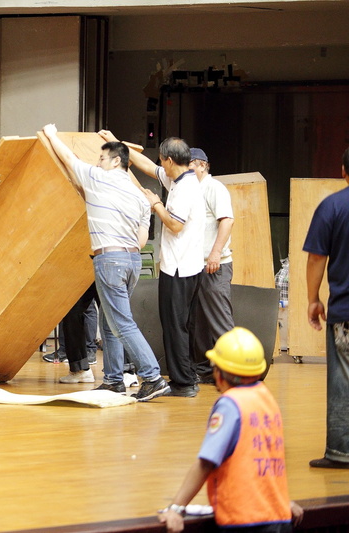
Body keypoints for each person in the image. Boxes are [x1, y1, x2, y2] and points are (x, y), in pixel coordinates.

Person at [42, 124, 169, 401]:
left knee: (122, 323)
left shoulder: (99, 178)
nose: (96, 162)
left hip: (109, 258)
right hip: (132, 259)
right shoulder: (138, 194)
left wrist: (52, 135)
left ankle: (152, 377)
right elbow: (142, 236)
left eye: (101, 158)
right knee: (111, 322)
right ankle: (113, 380)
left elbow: (69, 160)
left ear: (115, 161)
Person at [158, 327, 303, 532]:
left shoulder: (230, 404)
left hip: (244, 520)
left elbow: (206, 462)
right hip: (276, 516)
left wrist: (176, 507)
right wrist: (281, 500)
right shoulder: (266, 398)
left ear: (220, 372)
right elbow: (267, 458)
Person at [106, 132, 205, 397]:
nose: (160, 165)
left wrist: (156, 203)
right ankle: (185, 377)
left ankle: (183, 383)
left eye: (163, 160)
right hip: (186, 266)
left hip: (180, 268)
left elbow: (175, 224)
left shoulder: (185, 188)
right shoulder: (180, 178)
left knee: (175, 326)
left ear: (171, 160)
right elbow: (148, 167)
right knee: (180, 325)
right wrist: (120, 144)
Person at [303, 146, 349, 469]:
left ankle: (341, 451)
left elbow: (317, 257)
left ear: (344, 171)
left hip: (345, 313)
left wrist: (313, 298)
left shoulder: (332, 206)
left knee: (343, 380)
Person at [189, 148, 235, 383]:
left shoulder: (214, 187)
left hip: (215, 265)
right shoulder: (190, 189)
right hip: (195, 266)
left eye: (188, 165)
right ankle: (205, 370)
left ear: (201, 165)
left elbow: (227, 220)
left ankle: (233, 370)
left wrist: (215, 253)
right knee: (199, 321)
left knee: (218, 319)